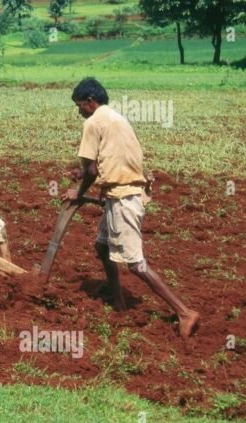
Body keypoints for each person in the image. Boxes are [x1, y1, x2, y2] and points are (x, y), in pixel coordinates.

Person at [62, 77, 199, 338]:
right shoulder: (116, 118)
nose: (78, 111)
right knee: (102, 247)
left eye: (79, 105)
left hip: (124, 198)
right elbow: (116, 158)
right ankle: (119, 303)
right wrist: (90, 178)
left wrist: (78, 192)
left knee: (135, 263)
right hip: (125, 191)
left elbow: (90, 169)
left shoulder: (93, 123)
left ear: (91, 102)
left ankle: (184, 312)